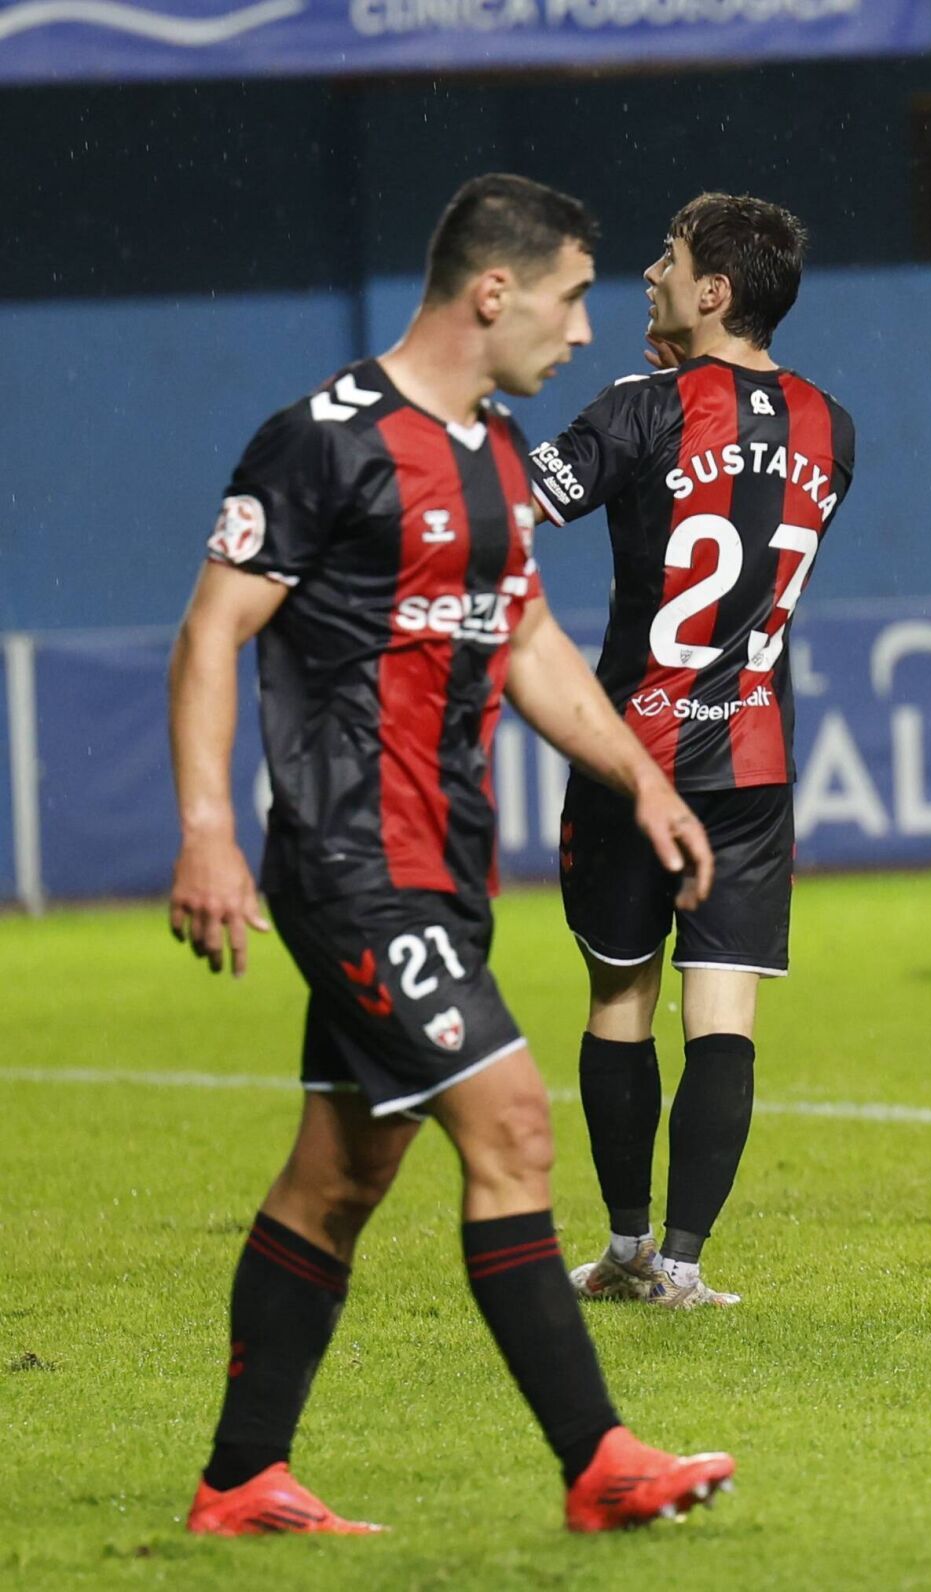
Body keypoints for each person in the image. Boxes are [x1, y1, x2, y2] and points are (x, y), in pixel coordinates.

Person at [168, 173, 734, 1535]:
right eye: (571, 297)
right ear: (494, 292)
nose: (586, 330)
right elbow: (211, 631)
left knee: (340, 1174)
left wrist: (641, 779)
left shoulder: (493, 451)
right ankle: (600, 1461)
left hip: (445, 867)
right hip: (348, 860)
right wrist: (207, 834)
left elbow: (526, 639)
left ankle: (240, 1479)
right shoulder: (323, 441)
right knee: (513, 1124)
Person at [522, 193, 855, 1309]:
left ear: (713, 290)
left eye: (666, 260)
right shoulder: (831, 426)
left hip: (634, 757)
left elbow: (527, 501)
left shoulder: (639, 408)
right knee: (724, 1014)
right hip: (751, 758)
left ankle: (624, 1248)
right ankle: (683, 1264)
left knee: (620, 998)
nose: (649, 275)